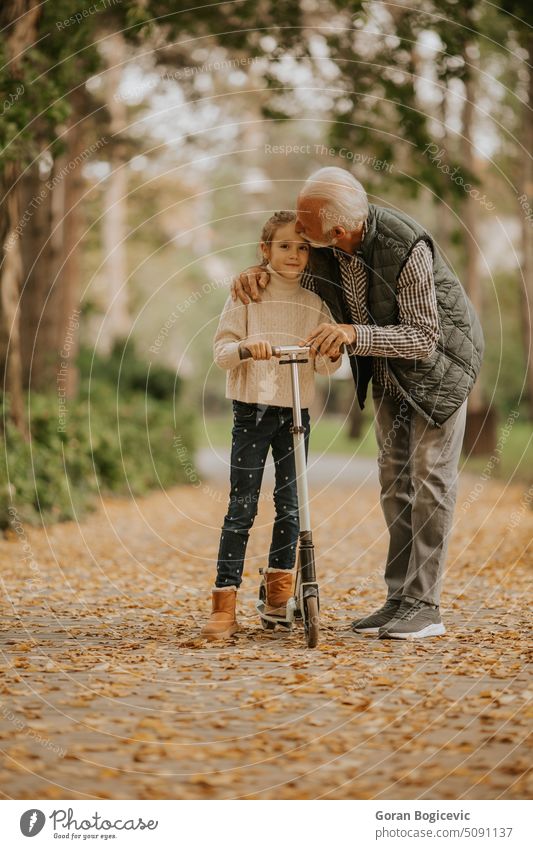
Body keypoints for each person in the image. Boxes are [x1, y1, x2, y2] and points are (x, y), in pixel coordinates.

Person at [231, 167, 484, 640]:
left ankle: (425, 607)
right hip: (389, 375)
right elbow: (285, 263)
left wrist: (353, 334)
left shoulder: (404, 247)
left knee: (429, 480)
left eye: (308, 232)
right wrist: (254, 271)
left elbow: (425, 339)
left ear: (339, 232)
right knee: (394, 483)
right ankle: (398, 600)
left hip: (438, 371)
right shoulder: (327, 249)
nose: (301, 240)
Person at [201, 210, 341, 639]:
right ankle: (224, 604)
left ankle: (278, 597)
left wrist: (330, 351)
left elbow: (325, 367)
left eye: (302, 248)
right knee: (241, 505)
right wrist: (246, 346)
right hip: (252, 408)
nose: (294, 255)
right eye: (285, 246)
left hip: (296, 409)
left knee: (291, 506)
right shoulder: (247, 295)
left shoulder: (316, 303)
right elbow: (221, 352)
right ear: (266, 250)